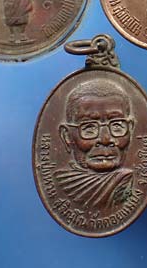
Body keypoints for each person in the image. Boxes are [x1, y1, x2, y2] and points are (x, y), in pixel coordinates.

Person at [55, 80, 134, 210]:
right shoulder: (60, 183)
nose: (105, 139)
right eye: (89, 128)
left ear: (130, 129)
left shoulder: (127, 183)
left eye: (117, 126)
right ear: (67, 136)